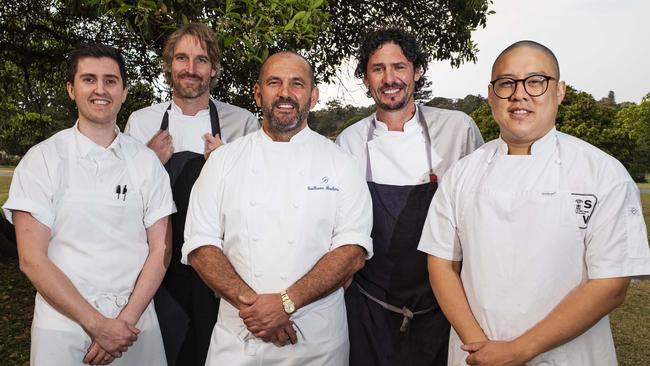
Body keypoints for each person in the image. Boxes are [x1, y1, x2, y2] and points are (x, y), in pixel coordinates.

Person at [419, 40, 650, 366]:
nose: (519, 94)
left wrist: (519, 350)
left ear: (559, 91)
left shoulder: (602, 174)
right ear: (490, 94)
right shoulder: (461, 175)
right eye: (506, 83)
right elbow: (441, 264)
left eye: (536, 81)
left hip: (570, 356)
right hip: (476, 354)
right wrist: (478, 344)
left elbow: (611, 284)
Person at [181, 51, 373, 365]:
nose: (285, 93)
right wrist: (255, 309)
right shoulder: (223, 161)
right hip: (239, 339)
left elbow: (352, 251)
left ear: (313, 96)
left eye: (297, 84)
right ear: (258, 94)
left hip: (315, 342)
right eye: (274, 82)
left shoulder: (342, 164)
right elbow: (201, 245)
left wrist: (285, 303)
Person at [2, 43, 175, 365]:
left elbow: (161, 250)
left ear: (124, 91)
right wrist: (97, 325)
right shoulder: (42, 159)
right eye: (88, 79)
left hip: (134, 323)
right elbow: (31, 259)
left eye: (110, 81)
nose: (100, 90)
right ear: (71, 89)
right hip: (63, 325)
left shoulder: (146, 162)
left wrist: (123, 323)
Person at [336, 28, 484, 365]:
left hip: (443, 307)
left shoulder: (457, 129)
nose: (390, 79)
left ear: (417, 71)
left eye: (399, 67)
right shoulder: (349, 141)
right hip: (369, 307)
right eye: (378, 69)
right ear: (366, 78)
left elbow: (480, 213)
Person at [124, 23, 259, 365]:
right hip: (158, 266)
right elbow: (120, 202)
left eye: (201, 60)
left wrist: (225, 166)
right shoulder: (141, 123)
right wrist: (148, 163)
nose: (191, 68)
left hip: (219, 267)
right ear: (169, 64)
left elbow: (259, 201)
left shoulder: (241, 124)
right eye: (182, 58)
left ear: (213, 68)